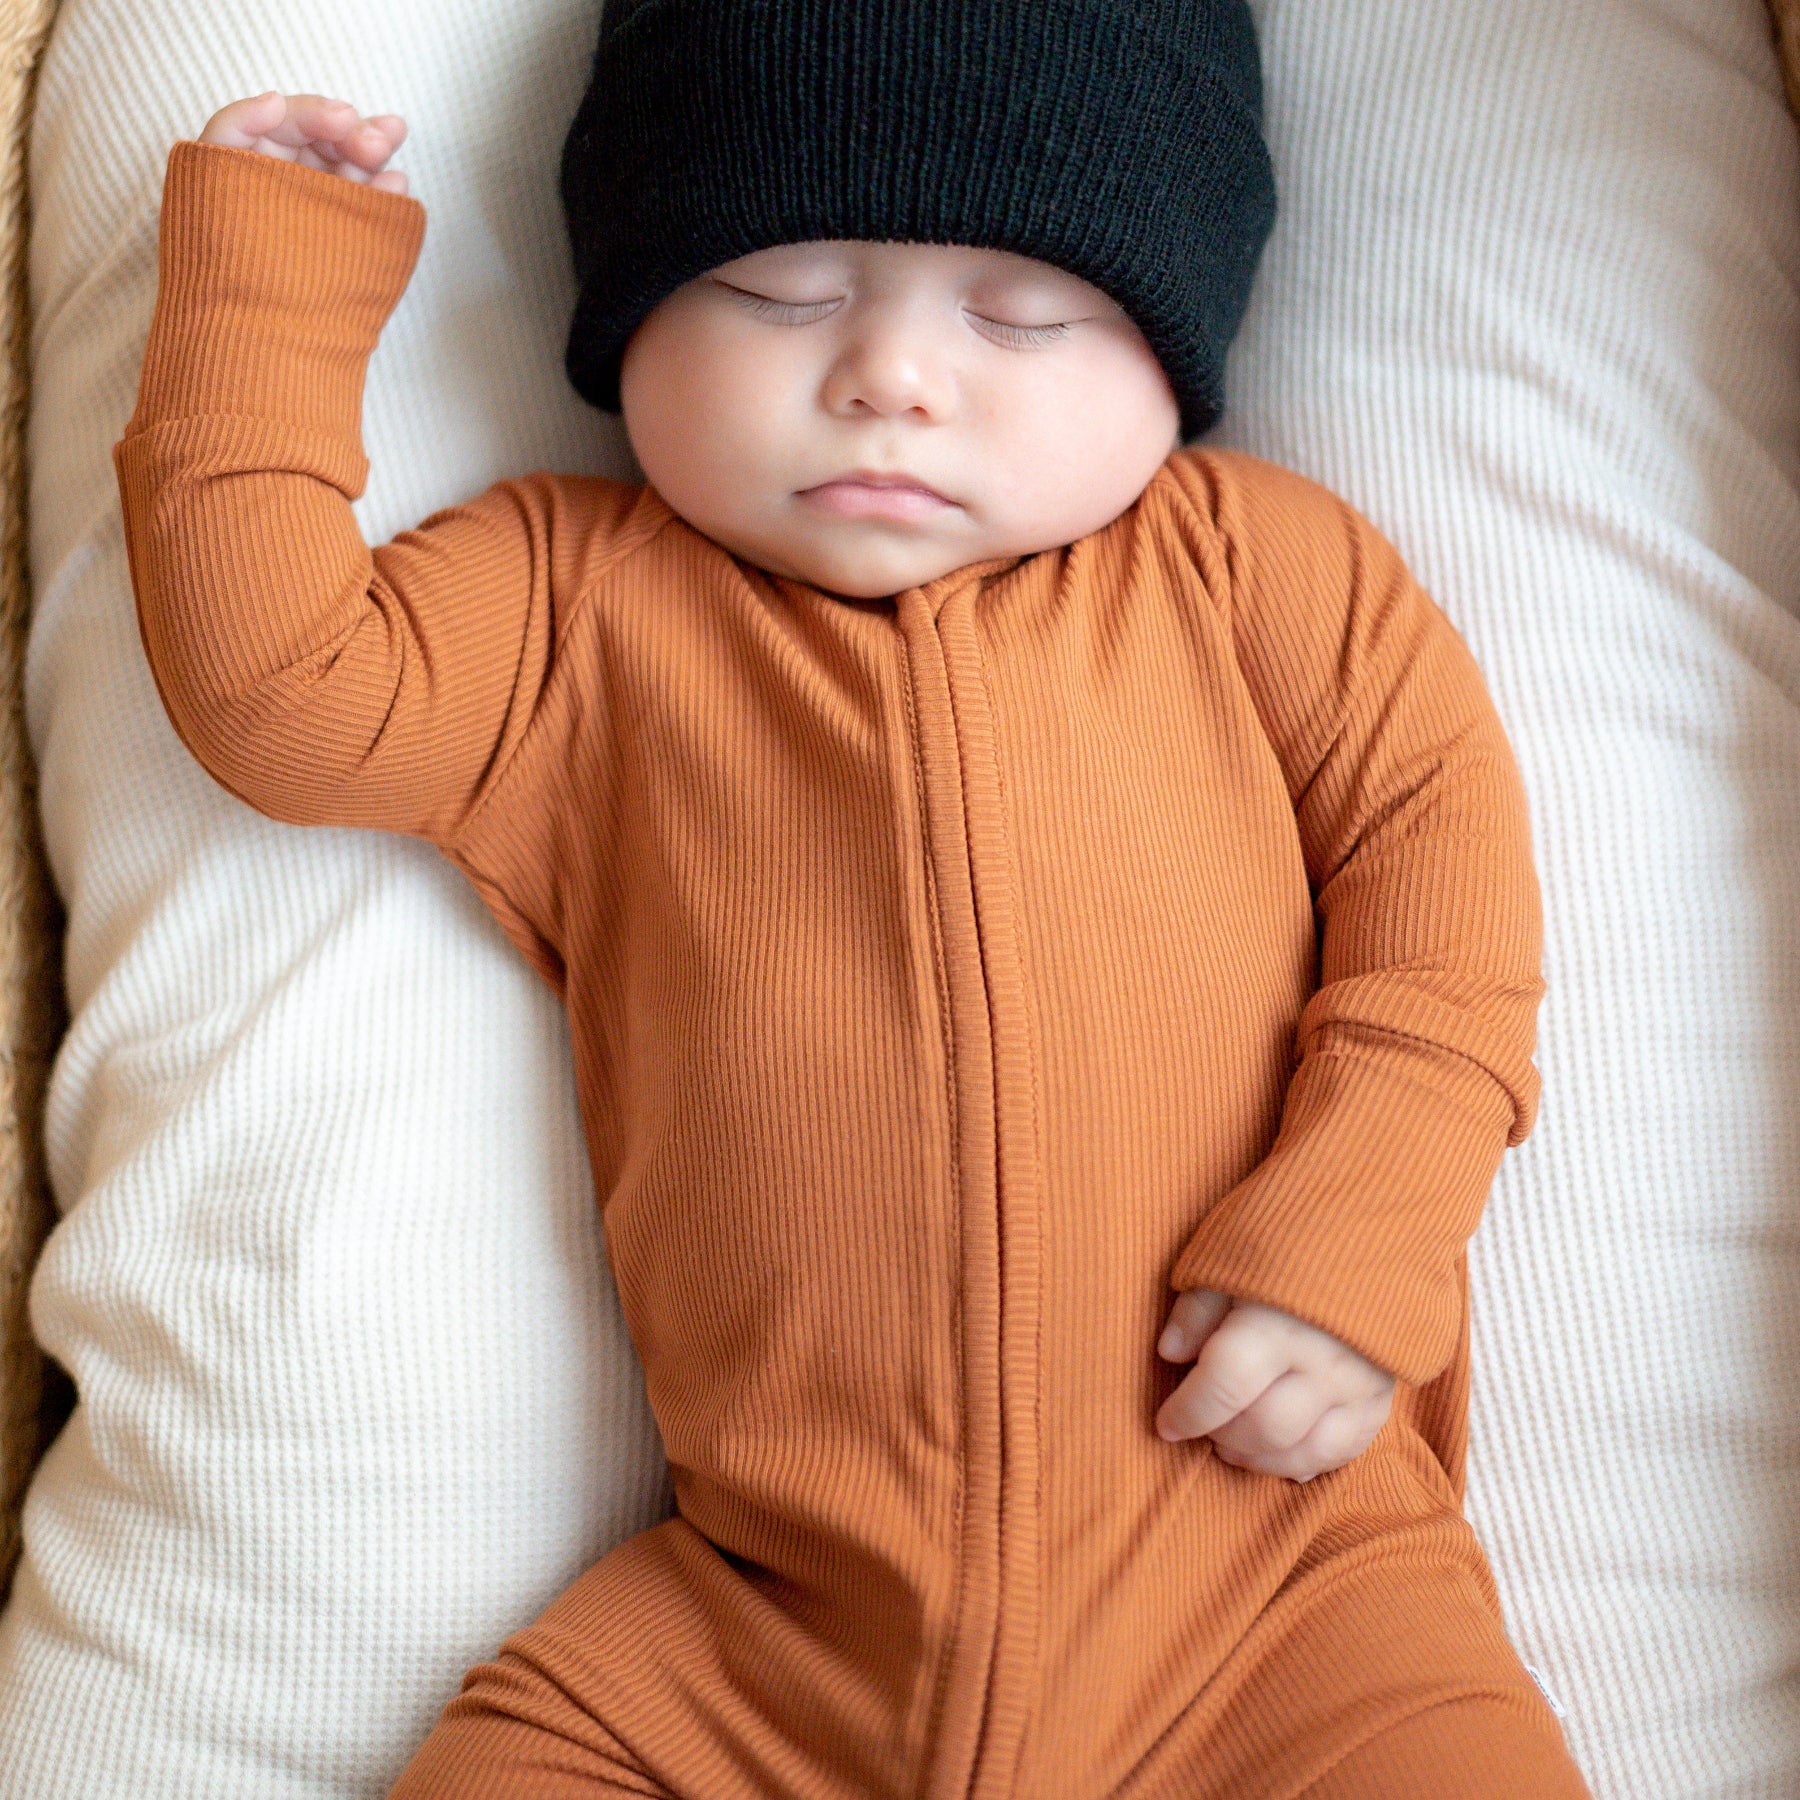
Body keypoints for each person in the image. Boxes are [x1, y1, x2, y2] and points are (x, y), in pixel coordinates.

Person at [112, 2, 1594, 1794]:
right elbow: (283, 697)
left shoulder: (1262, 570)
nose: (892, 372)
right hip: (763, 1632)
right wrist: (266, 299)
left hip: (1286, 1592)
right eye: (782, 292)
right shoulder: (577, 608)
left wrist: (1359, 1237)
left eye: (1025, 312)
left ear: (1171, 350)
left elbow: (1446, 910)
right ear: (635, 318)